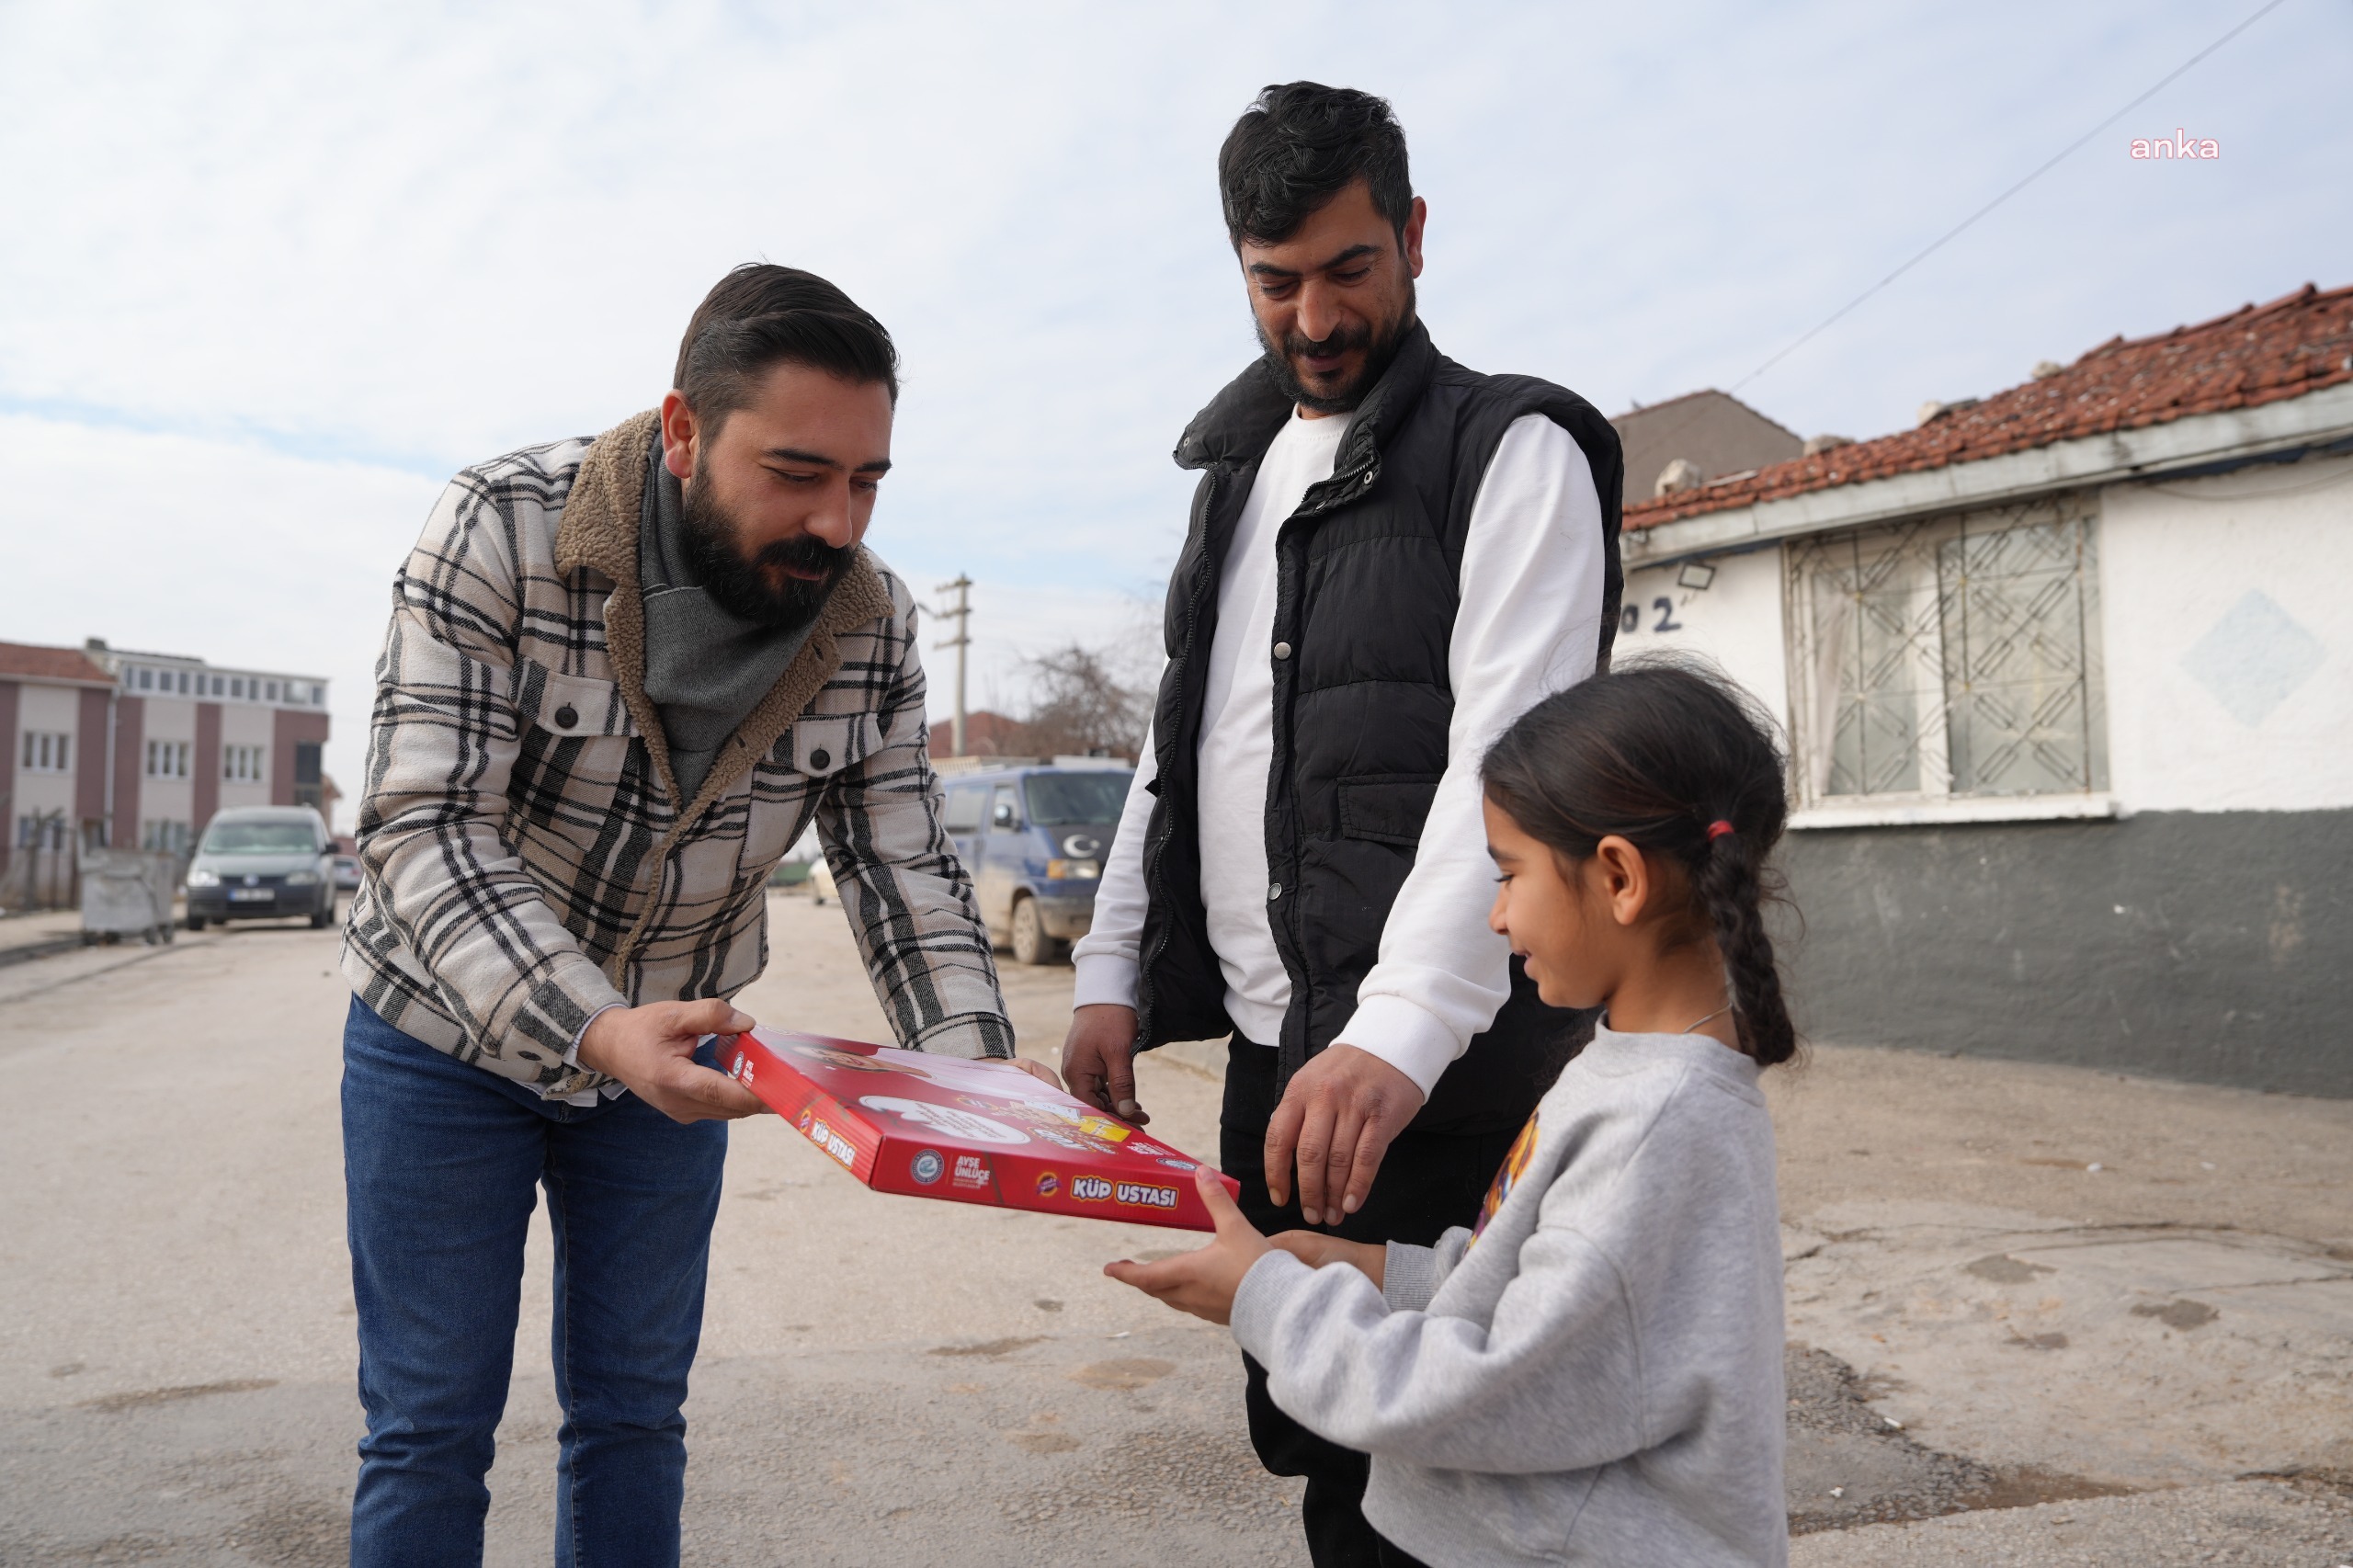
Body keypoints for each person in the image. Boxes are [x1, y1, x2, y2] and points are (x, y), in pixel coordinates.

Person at [339, 264, 1043, 1566]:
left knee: (633, 1413)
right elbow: (422, 827)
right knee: (429, 1422)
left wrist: (975, 1081)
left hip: (678, 1056)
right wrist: (602, 1031)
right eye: (797, 471)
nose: (837, 520)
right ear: (681, 433)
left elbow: (904, 865)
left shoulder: (872, 619)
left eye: (868, 479)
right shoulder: (501, 527)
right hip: (442, 1035)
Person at [1061, 82, 1625, 1563]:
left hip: (1441, 1074)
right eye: (1275, 280)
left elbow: (1507, 765)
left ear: (1415, 238)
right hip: (1280, 1058)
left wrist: (1401, 1027)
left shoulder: (1513, 453)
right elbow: (1179, 744)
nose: (1313, 315)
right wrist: (1114, 961)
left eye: (1348, 268)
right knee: (1327, 1454)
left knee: (1471, 1469)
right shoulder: (1234, 482)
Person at [1108, 661, 1798, 1568]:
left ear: (1619, 877)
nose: (1499, 916)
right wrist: (1370, 1268)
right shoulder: (1634, 1075)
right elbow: (1566, 1304)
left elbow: (1499, 1391)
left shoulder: (1655, 1125)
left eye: (1508, 874)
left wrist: (1267, 1301)